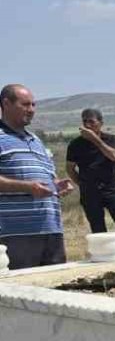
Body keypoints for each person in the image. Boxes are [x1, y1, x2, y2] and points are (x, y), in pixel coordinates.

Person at [0, 84, 75, 270]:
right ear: (6, 104)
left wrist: (58, 185)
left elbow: (49, 177)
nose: (31, 110)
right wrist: (27, 187)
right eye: (25, 104)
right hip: (15, 233)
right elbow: (29, 184)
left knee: (55, 284)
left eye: (33, 105)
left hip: (51, 230)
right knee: (21, 286)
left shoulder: (36, 141)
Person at [65, 108, 115, 241]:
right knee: (98, 230)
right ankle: (104, 252)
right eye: (85, 122)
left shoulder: (109, 139)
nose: (88, 125)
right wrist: (82, 184)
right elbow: (70, 168)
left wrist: (95, 140)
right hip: (89, 191)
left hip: (111, 189)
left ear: (101, 123)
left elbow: (114, 156)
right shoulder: (75, 144)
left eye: (91, 122)